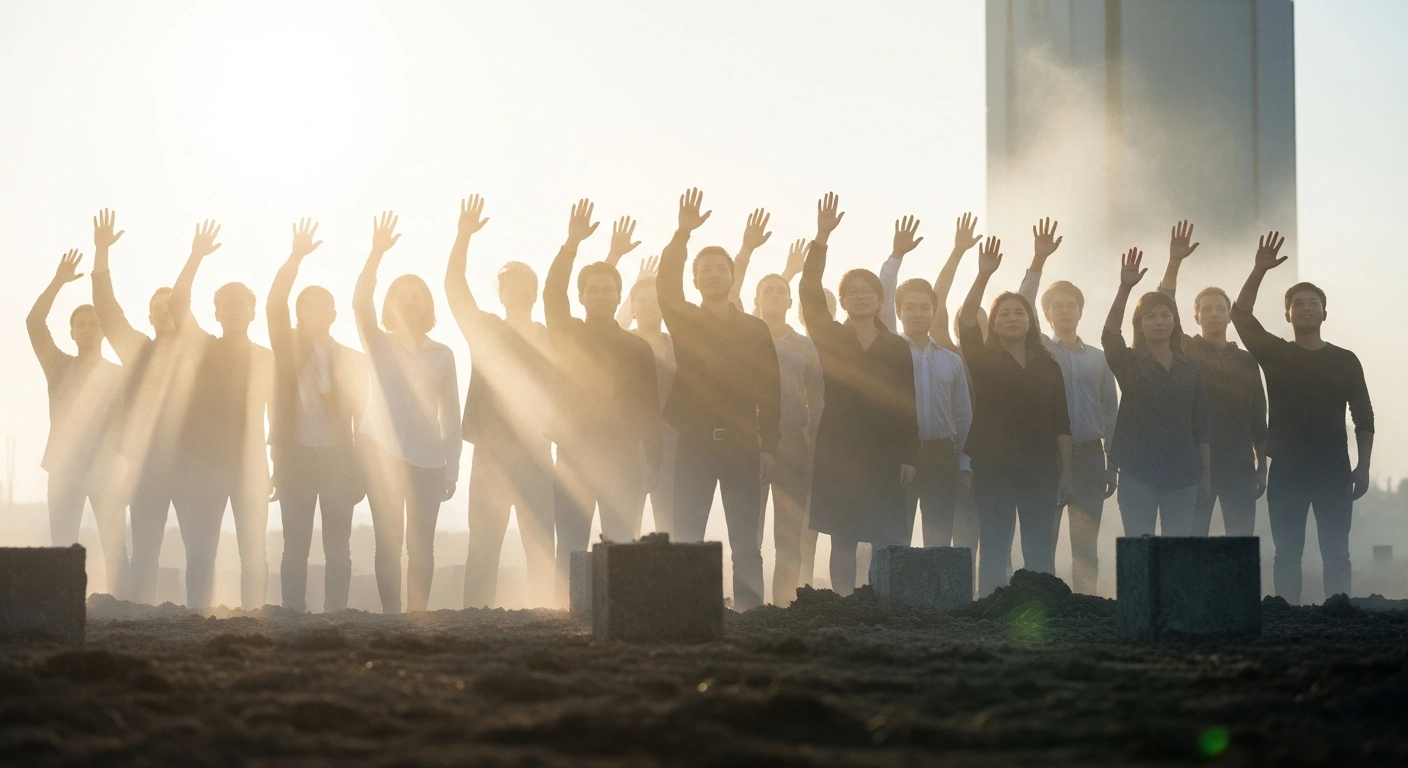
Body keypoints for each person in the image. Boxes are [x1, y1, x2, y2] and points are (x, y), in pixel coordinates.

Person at [1231, 231, 1373, 604]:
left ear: (1325, 312)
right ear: (1288, 314)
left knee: (1336, 552)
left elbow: (1364, 416)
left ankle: (1339, 622)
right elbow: (1240, 315)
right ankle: (1286, 623)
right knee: (1287, 553)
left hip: (1334, 469)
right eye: (1297, 303)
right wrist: (1260, 269)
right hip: (1288, 470)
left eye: (1313, 302)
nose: (1305, 307)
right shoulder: (1276, 354)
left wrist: (1364, 466)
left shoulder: (1345, 360)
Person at [658, 188, 781, 611]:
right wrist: (681, 236)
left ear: (732, 278)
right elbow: (665, 286)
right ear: (695, 280)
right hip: (692, 442)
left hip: (744, 444)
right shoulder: (685, 318)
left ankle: (751, 613)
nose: (712, 275)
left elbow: (772, 392)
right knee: (688, 534)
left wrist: (770, 446)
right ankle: (687, 611)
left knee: (747, 540)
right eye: (704, 270)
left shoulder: (754, 329)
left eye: (720, 269)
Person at [544, 199, 662, 602]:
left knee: (621, 541)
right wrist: (571, 244)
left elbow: (651, 409)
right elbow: (552, 292)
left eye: (607, 289)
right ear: (581, 296)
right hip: (575, 454)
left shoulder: (636, 348)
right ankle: (571, 611)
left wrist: (653, 460)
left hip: (624, 458)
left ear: (618, 296)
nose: (599, 295)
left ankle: (620, 610)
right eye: (591, 290)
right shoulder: (567, 332)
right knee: (573, 543)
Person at [800, 192, 917, 596]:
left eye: (869, 291)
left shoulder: (897, 346)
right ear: (844, 301)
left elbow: (907, 402)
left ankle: (882, 602)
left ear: (880, 300)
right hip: (839, 446)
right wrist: (821, 239)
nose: (862, 295)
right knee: (842, 534)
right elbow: (810, 290)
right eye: (853, 292)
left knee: (885, 534)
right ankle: (843, 604)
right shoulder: (831, 336)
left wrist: (908, 455)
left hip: (885, 450)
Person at [444, 195, 556, 609]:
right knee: (484, 546)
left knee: (542, 543)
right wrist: (463, 238)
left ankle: (547, 618)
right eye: (510, 284)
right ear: (501, 291)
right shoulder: (486, 330)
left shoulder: (549, 337)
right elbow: (455, 291)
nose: (518, 291)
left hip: (537, 453)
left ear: (535, 292)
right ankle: (473, 620)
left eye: (526, 285)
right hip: (492, 452)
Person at [354, 211, 461, 614]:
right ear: (391, 304)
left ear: (427, 305)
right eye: (402, 295)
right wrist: (376, 254)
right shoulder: (378, 344)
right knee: (387, 542)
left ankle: (418, 617)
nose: (410, 302)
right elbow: (359, 302)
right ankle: (391, 619)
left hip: (428, 461)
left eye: (418, 296)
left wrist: (452, 470)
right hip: (381, 456)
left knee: (422, 544)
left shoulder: (443, 354)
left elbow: (451, 417)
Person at [168, 220, 274, 611]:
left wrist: (273, 464)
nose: (232, 310)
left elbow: (275, 417)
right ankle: (198, 614)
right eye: (225, 306)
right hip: (206, 463)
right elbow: (177, 305)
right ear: (216, 313)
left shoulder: (267, 359)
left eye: (239, 305)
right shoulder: (204, 348)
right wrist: (195, 256)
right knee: (201, 549)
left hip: (251, 467)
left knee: (254, 551)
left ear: (252, 312)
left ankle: (254, 618)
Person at [958, 236, 1072, 597]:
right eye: (1003, 313)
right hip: (993, 469)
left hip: (1041, 469)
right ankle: (991, 614)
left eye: (1019, 312)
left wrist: (1066, 474)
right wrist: (982, 276)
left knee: (1039, 549)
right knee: (994, 546)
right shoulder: (982, 360)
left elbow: (1062, 424)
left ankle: (1045, 613)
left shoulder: (1048, 364)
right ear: (993, 323)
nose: (1012, 318)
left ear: (1030, 321)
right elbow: (965, 323)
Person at [90, 209, 192, 604]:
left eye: (173, 309)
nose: (166, 315)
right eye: (158, 310)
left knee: (198, 546)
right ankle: (134, 617)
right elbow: (106, 307)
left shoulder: (201, 355)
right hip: (145, 465)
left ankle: (199, 622)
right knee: (146, 547)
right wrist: (102, 253)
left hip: (191, 464)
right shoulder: (136, 349)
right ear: (149, 317)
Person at [1014, 218, 1119, 595]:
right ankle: (1043, 609)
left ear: (1080, 311)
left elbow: (1111, 412)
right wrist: (1038, 261)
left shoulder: (1098, 358)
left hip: (1092, 458)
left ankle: (1086, 610)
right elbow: (1021, 303)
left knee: (1085, 546)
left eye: (1071, 305)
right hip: (1048, 458)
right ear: (1045, 314)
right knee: (1043, 540)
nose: (1064, 311)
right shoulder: (1040, 349)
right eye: (1056, 306)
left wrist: (1113, 463)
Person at [268, 218, 367, 613]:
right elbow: (274, 303)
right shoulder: (286, 348)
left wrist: (360, 471)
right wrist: (295, 258)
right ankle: (293, 615)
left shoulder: (352, 360)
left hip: (339, 462)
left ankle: (336, 615)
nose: (314, 310)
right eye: (306, 305)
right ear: (298, 313)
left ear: (333, 313)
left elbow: (362, 419)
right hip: (296, 460)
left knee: (338, 547)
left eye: (322, 304)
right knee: (295, 546)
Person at [728, 217, 825, 605]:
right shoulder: (743, 334)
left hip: (792, 445)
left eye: (781, 291)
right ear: (755, 300)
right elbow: (732, 289)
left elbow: (817, 394)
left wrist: (811, 434)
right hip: (747, 441)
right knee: (748, 533)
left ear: (790, 301)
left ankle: (786, 606)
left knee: (789, 535)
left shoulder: (805, 345)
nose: (774, 294)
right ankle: (751, 607)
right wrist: (747, 250)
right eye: (766, 290)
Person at [1156, 220, 1268, 537]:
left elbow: (1258, 415)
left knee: (1240, 543)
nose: (1215, 314)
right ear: (1196, 317)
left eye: (1221, 308)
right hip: (1192, 465)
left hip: (1239, 465)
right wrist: (1174, 261)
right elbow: (1163, 304)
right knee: (1191, 541)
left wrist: (1262, 466)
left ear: (1229, 315)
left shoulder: (1246, 361)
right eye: (1208, 309)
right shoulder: (1186, 349)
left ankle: (1237, 589)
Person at [28, 247, 128, 597]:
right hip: (64, 468)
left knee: (116, 547)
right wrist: (58, 281)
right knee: (63, 547)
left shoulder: (119, 377)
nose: (88, 329)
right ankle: (64, 607)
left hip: (107, 470)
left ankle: (122, 607)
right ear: (71, 333)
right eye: (81, 325)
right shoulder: (58, 366)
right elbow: (34, 323)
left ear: (103, 332)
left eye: (94, 324)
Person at [875, 216, 973, 552]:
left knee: (938, 539)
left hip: (942, 456)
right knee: (895, 538)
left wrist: (962, 463)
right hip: (899, 453)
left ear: (934, 313)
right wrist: (896, 256)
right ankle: (890, 607)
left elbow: (962, 417)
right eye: (911, 307)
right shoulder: (889, 351)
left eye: (925, 308)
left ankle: (938, 608)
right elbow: (883, 294)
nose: (918, 313)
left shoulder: (951, 360)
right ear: (899, 312)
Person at [1102, 248, 1213, 538]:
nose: (1159, 321)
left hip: (1184, 473)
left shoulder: (1191, 368)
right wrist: (1125, 289)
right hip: (1138, 472)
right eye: (1150, 316)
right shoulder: (1130, 362)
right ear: (1139, 323)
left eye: (1166, 315)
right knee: (1140, 550)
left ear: (1175, 322)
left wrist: (1206, 478)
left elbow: (1201, 427)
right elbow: (1110, 336)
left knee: (1176, 554)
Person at [615, 254, 679, 538]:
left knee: (672, 530)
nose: (650, 306)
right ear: (633, 307)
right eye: (642, 300)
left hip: (673, 448)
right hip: (629, 445)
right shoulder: (621, 343)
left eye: (656, 301)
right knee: (626, 528)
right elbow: (610, 324)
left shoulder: (679, 346)